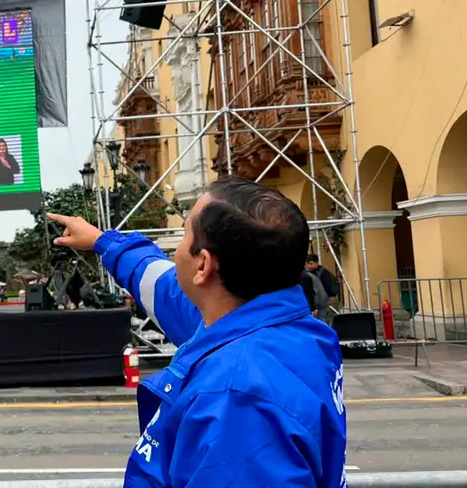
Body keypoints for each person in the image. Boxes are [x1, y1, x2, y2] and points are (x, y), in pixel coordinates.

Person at [49, 176, 346, 487]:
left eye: (183, 234)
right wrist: (102, 241)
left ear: (203, 266)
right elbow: (162, 286)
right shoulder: (281, 329)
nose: (176, 250)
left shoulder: (237, 401)